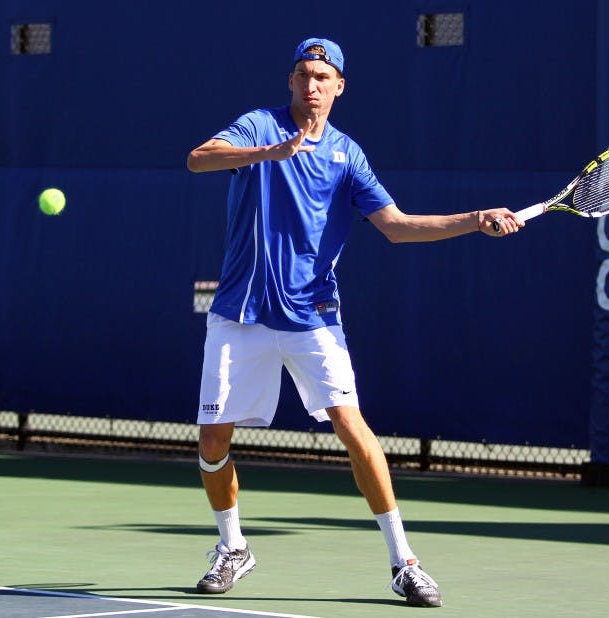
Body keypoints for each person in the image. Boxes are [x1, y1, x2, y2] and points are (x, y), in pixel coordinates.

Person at [185, 37, 522, 608]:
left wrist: (474, 218)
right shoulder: (257, 126)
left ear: (338, 87)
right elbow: (199, 158)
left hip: (313, 316)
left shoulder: (347, 155)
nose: (310, 85)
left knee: (351, 425)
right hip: (240, 311)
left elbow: (397, 225)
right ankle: (232, 547)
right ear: (290, 81)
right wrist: (267, 154)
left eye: (322, 77)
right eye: (301, 74)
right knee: (213, 437)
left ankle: (404, 562)